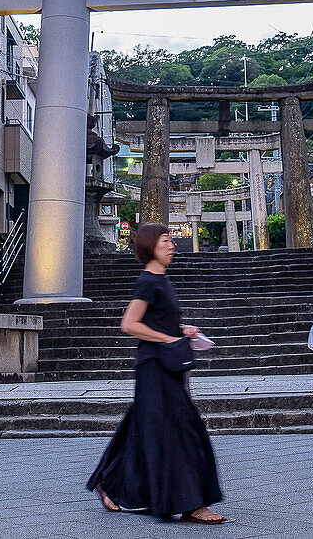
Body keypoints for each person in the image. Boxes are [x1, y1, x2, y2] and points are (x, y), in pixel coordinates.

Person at [87, 223, 227, 524]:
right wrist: (168, 339)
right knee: (184, 432)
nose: (172, 245)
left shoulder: (162, 279)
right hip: (154, 367)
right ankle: (192, 504)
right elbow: (129, 324)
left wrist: (181, 330)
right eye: (165, 241)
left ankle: (108, 482)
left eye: (171, 240)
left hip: (165, 366)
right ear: (151, 245)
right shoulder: (149, 280)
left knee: (144, 432)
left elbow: (159, 321)